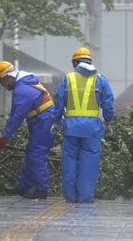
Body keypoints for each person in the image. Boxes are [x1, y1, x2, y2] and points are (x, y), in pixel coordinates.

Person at [53, 47, 114, 203]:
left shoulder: (68, 79)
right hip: (92, 130)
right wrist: (108, 122)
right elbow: (108, 103)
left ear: (75, 62)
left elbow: (59, 101)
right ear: (90, 61)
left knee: (69, 163)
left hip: (71, 128)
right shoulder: (100, 80)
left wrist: (56, 120)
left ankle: (71, 198)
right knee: (89, 165)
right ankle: (85, 198)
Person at [0, 61, 55, 199]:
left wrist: (5, 137)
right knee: (30, 153)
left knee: (36, 154)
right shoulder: (26, 84)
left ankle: (42, 190)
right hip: (42, 122)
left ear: (7, 78)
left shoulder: (22, 90)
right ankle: (22, 187)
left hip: (43, 123)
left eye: (2, 83)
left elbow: (16, 117)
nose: (4, 86)